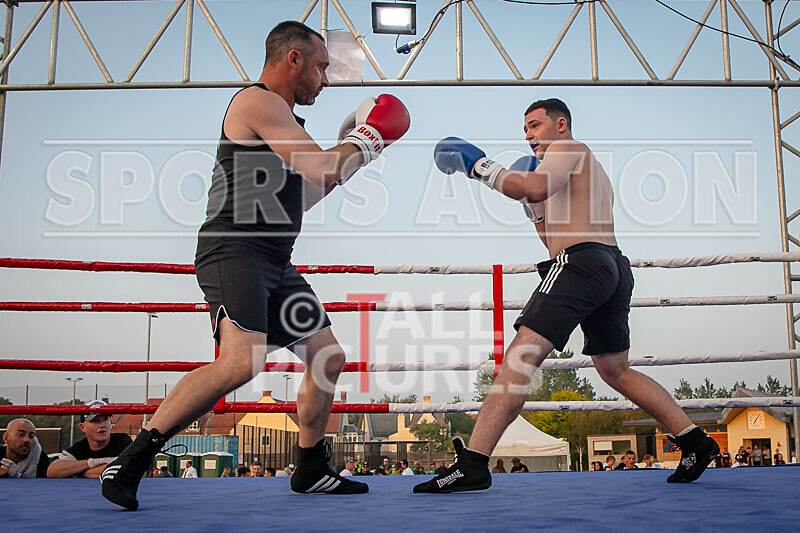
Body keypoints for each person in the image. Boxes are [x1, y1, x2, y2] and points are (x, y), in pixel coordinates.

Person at [99, 20, 409, 510]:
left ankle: (310, 466)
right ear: (294, 60)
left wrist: (359, 150)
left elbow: (309, 192)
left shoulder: (288, 126)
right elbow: (320, 166)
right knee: (241, 361)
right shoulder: (257, 101)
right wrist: (367, 137)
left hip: (274, 261)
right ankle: (133, 458)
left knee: (327, 357)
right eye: (322, 67)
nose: (326, 80)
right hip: (235, 251)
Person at [414, 98, 719, 494]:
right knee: (614, 370)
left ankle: (472, 464)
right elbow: (549, 238)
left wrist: (477, 165)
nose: (529, 136)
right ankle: (694, 440)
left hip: (582, 262)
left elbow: (538, 195)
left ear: (561, 125)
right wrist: (533, 209)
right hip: (609, 265)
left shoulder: (567, 148)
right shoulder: (574, 171)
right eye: (525, 130)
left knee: (518, 359)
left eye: (535, 125)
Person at [48, 400, 132, 479]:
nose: (102, 425)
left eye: (105, 419)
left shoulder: (122, 441)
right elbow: (52, 472)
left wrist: (79, 471)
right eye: (95, 421)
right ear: (82, 427)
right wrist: (92, 462)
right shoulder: (80, 448)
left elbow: (125, 468)